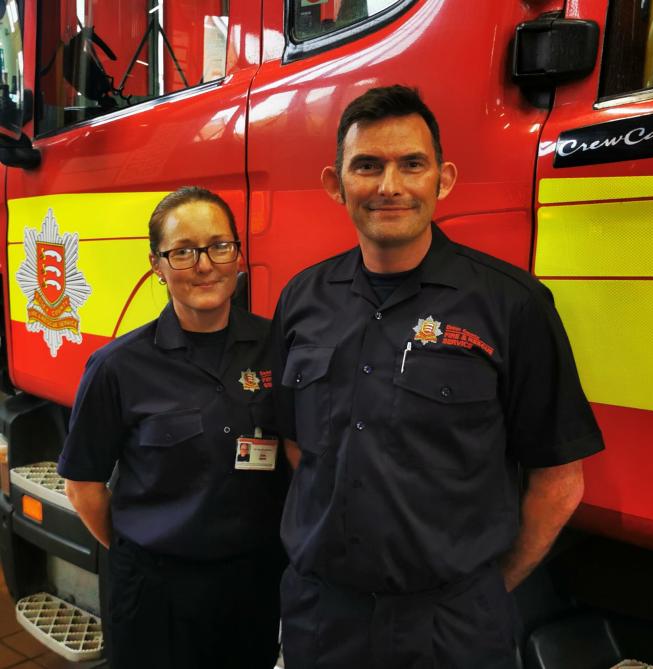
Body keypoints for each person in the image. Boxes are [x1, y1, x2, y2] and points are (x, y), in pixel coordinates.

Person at [271, 86, 605, 669]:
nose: (390, 186)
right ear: (336, 183)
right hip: (322, 617)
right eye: (367, 166)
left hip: (452, 629)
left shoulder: (512, 305)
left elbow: (559, 482)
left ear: (443, 179)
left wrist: (477, 593)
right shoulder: (302, 298)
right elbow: (299, 445)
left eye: (412, 164)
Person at [58, 187, 287, 669]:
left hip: (253, 584)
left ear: (238, 254)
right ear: (156, 266)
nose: (205, 265)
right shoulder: (117, 367)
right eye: (182, 252)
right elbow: (83, 486)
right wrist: (149, 549)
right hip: (155, 593)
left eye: (219, 246)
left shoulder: (277, 347)